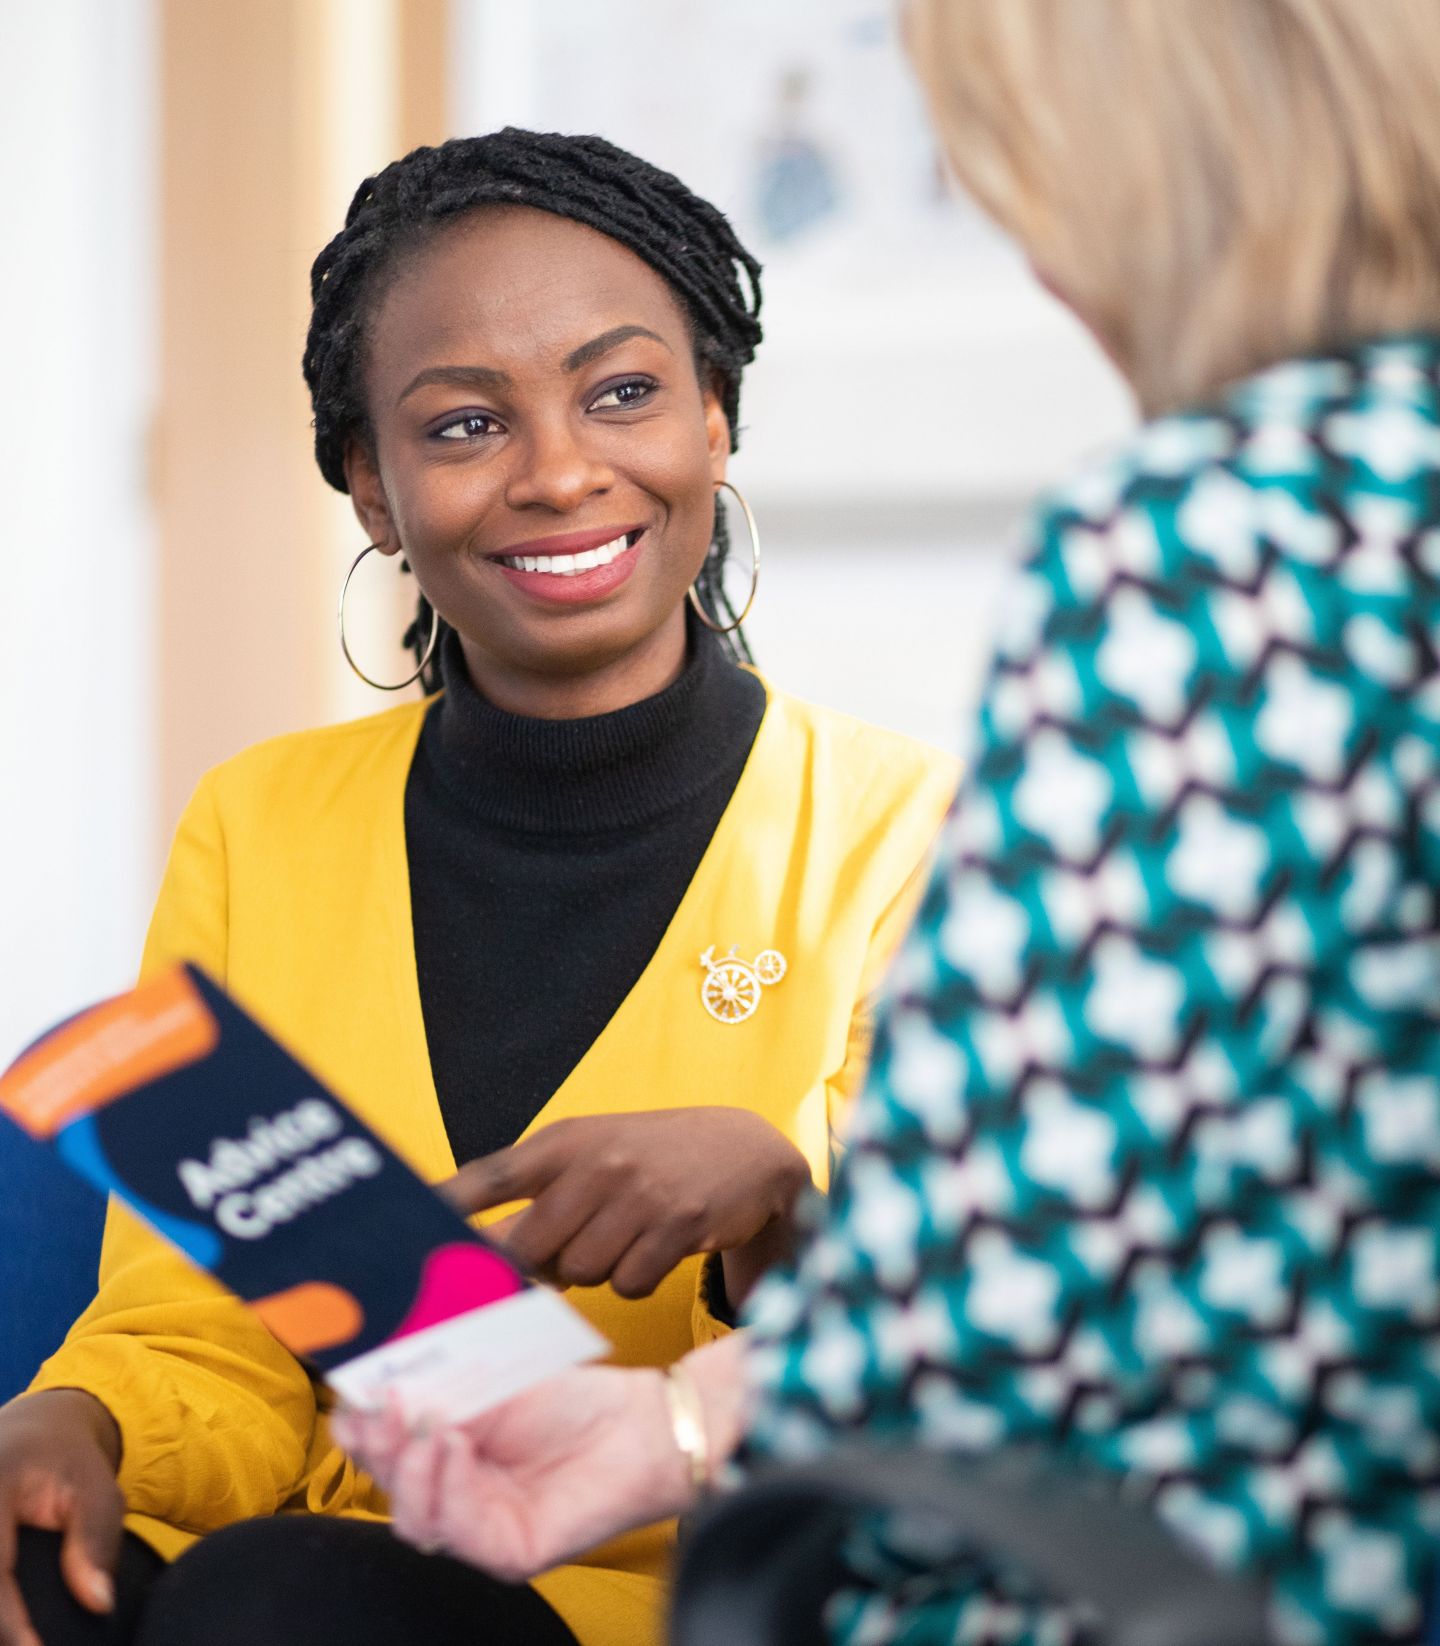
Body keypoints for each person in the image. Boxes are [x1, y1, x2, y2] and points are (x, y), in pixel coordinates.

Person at [341, 4, 1440, 1642]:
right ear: (367, 482)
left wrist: (729, 1323)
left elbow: (1017, 1260)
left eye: (1002, 161)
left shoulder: (1210, 548)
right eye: (465, 420)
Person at [0, 131, 959, 1646]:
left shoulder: (907, 835)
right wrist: (74, 1423)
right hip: (301, 1576)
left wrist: (775, 1202)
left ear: (717, 419)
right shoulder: (263, 824)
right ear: (373, 489)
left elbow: (974, 1369)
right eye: (463, 425)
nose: (562, 469)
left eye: (625, 391)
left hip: (683, 1595)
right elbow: (208, 1337)